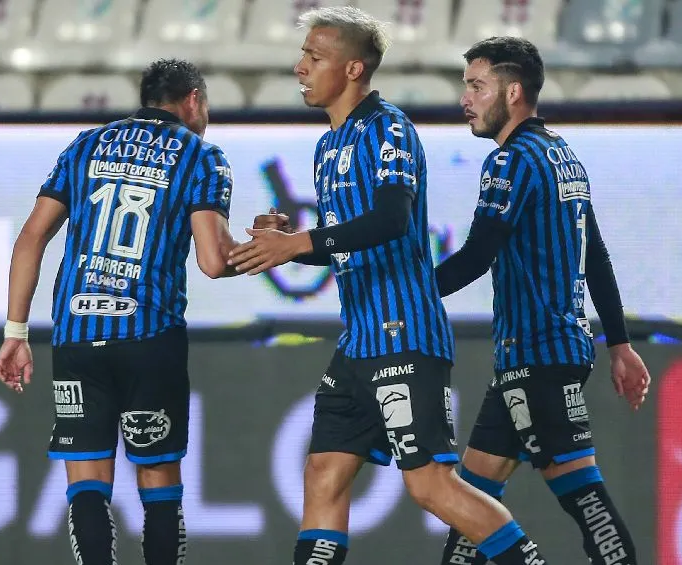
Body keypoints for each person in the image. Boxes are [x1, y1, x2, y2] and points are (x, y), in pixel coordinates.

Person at [231, 7, 549, 565]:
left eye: (314, 57)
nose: (299, 66)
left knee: (430, 486)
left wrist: (301, 243)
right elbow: (353, 247)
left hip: (404, 335)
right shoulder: (328, 146)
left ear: (353, 68)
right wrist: (290, 242)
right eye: (303, 55)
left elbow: (392, 220)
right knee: (323, 473)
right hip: (359, 342)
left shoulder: (387, 127)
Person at [0, 59, 240, 565]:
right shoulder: (201, 156)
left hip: (78, 333)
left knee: (85, 479)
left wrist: (16, 332)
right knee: (158, 478)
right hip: (150, 335)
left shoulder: (85, 146)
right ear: (193, 100)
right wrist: (266, 248)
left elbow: (30, 240)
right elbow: (214, 263)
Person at [433, 36, 651, 565]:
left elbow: (476, 257)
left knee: (583, 496)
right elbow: (594, 256)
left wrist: (401, 296)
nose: (465, 98)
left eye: (476, 86)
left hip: (537, 355)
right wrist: (619, 344)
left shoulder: (509, 162)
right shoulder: (563, 155)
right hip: (546, 353)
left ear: (511, 92)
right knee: (472, 502)